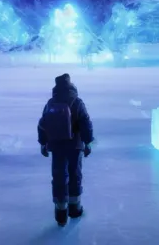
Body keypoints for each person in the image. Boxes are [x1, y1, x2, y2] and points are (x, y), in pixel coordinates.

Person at [37, 73, 94, 227]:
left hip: (56, 146)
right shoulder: (77, 102)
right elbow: (85, 123)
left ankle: (61, 212)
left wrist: (43, 143)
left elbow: (42, 124)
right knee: (75, 174)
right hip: (75, 146)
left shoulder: (51, 102)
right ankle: (74, 209)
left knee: (59, 176)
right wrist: (88, 142)